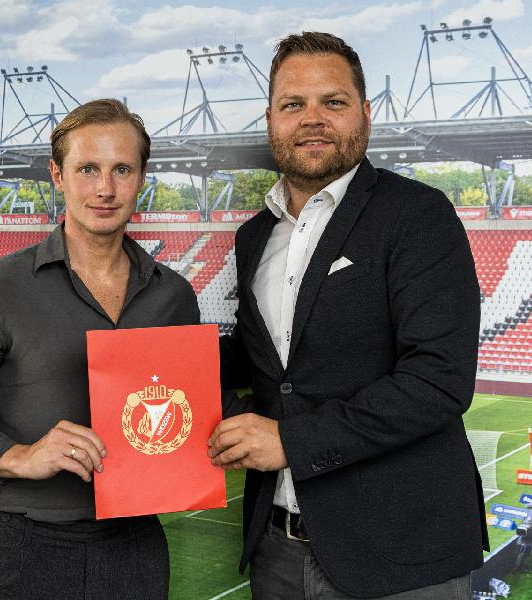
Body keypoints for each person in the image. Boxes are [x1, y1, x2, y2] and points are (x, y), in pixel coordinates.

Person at [209, 32, 488, 599]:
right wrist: (152, 361)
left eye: (332, 102)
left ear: (365, 112)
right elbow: (271, 362)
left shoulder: (418, 215)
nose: (312, 119)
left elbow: (438, 380)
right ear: (270, 119)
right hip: (277, 550)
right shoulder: (254, 236)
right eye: (293, 104)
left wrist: (293, 441)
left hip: (402, 558)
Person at [0, 99, 199, 599]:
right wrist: (20, 456)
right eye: (87, 169)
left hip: (135, 547)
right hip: (21, 547)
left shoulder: (174, 296)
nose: (105, 188)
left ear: (141, 177)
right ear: (57, 175)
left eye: (122, 169)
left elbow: (184, 411)